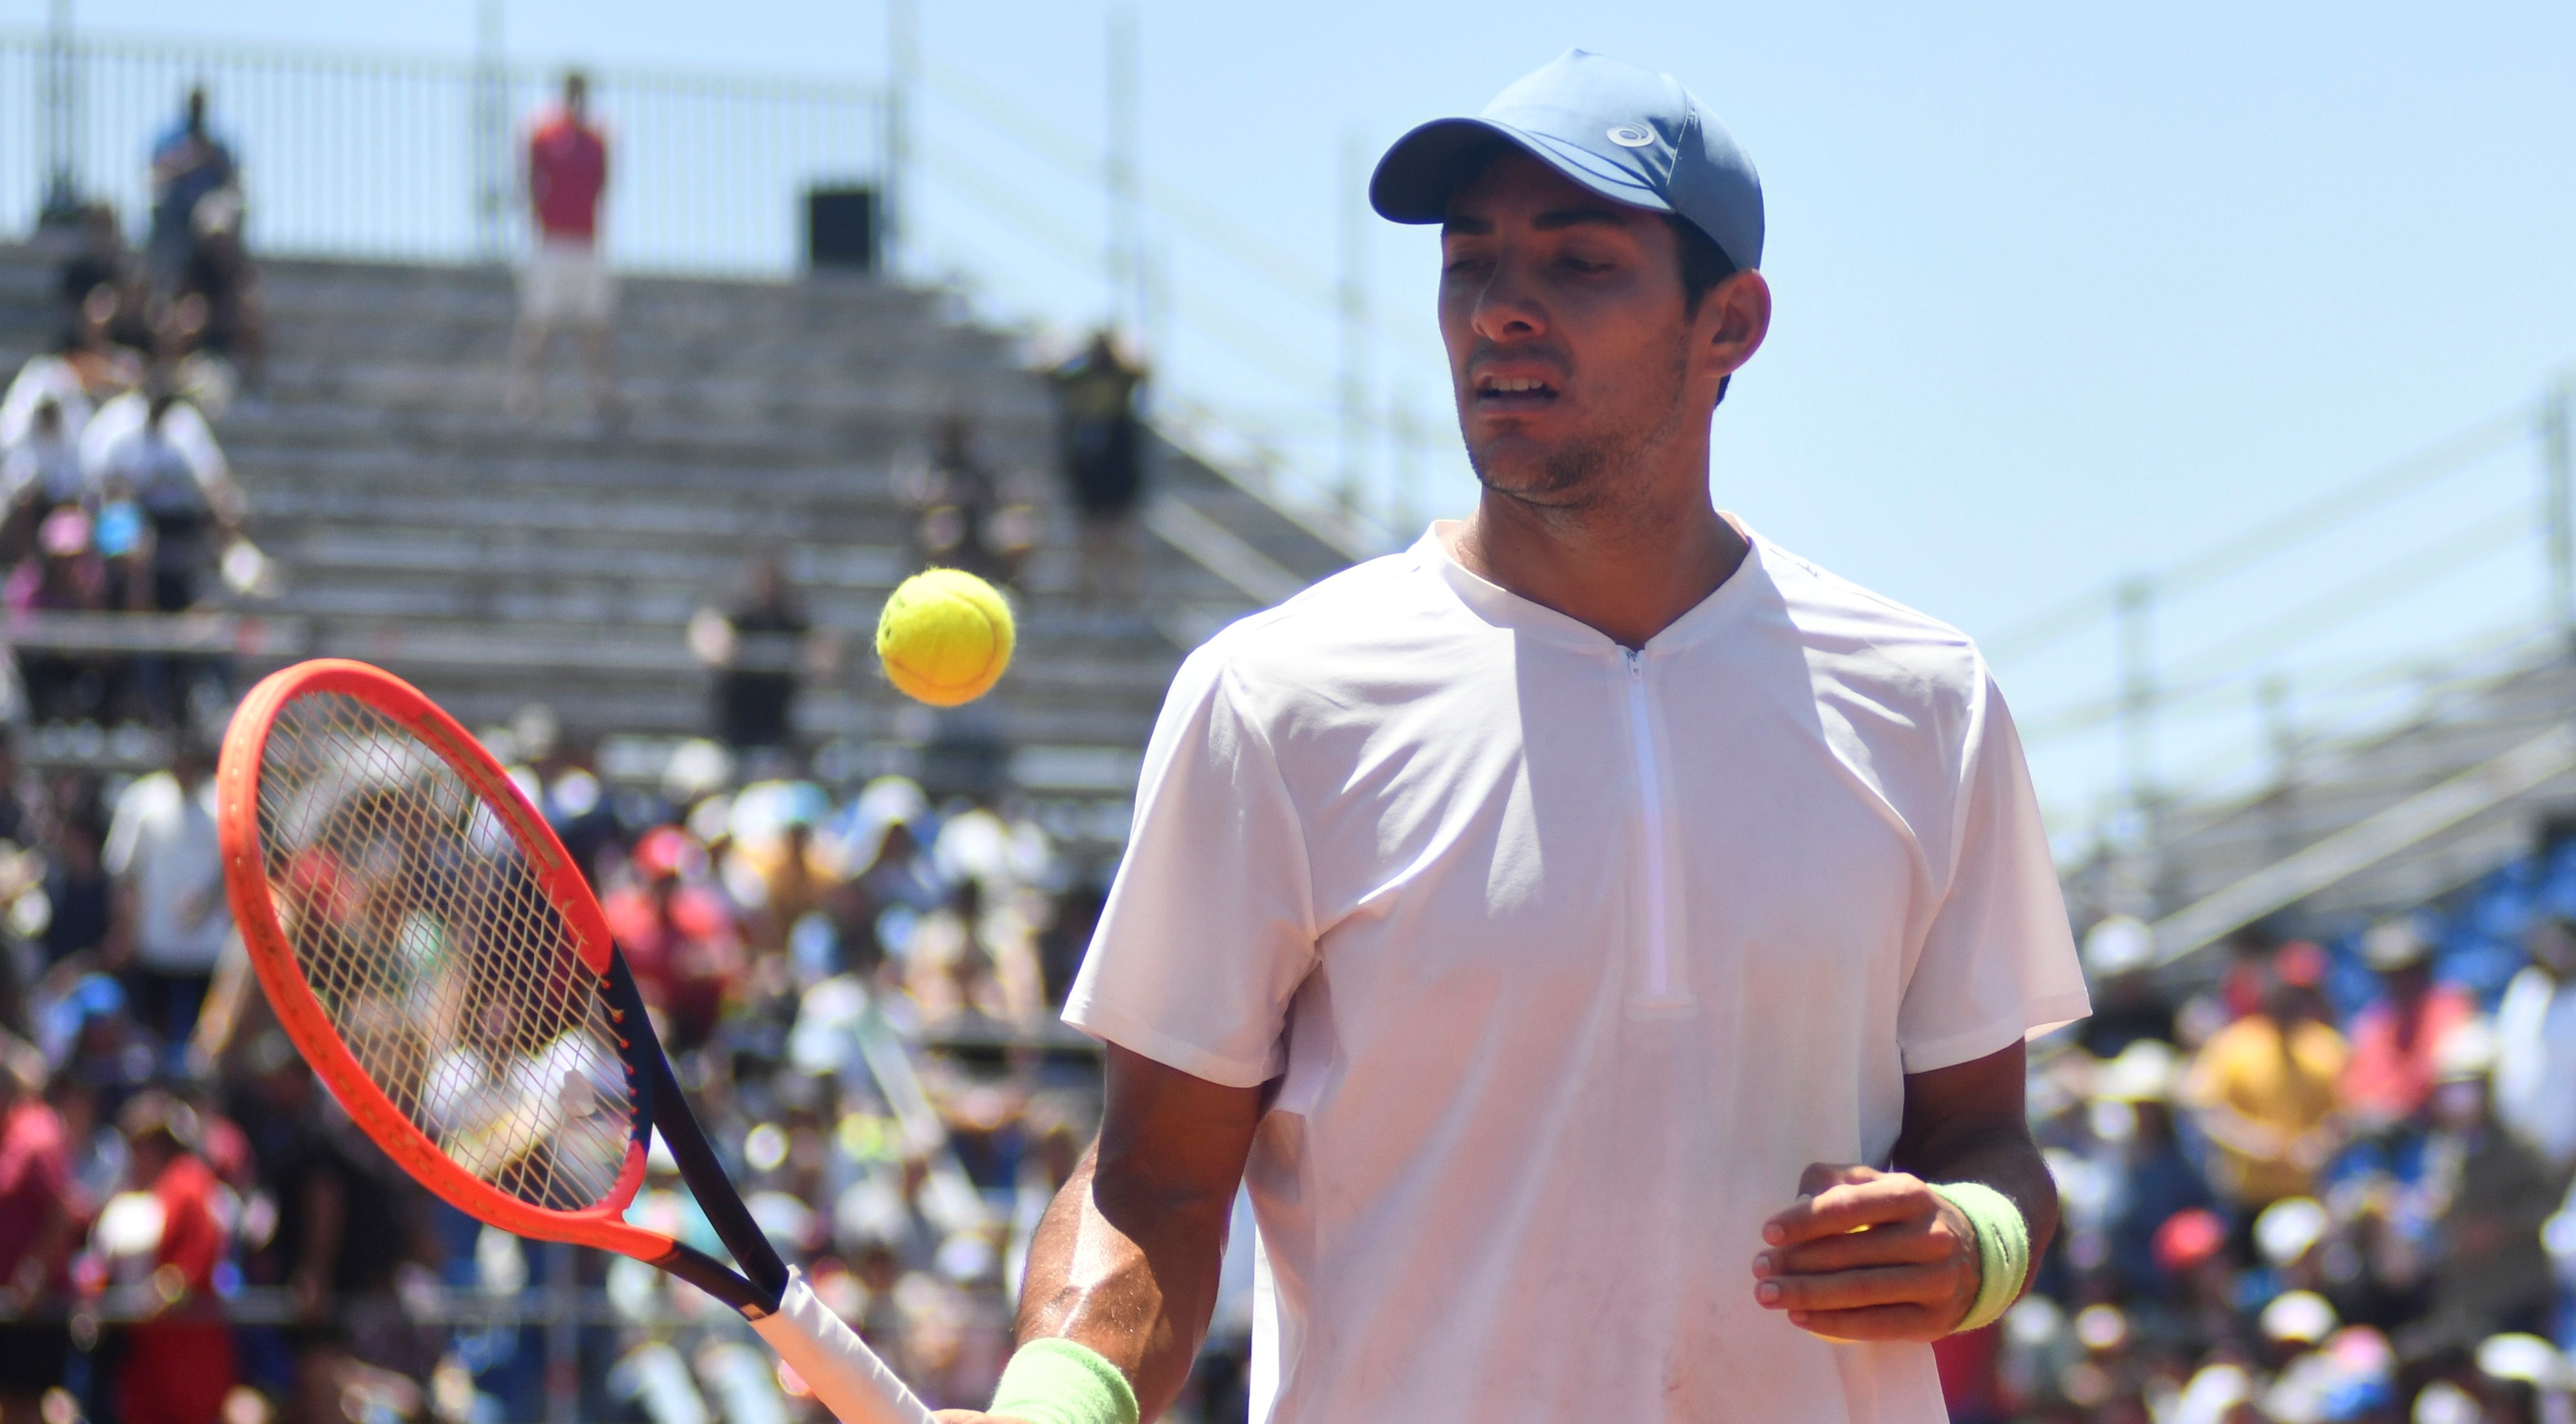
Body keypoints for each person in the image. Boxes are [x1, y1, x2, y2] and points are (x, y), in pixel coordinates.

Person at [939, 51, 2090, 1424]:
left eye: (1580, 263)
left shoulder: (1929, 699)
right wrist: (1052, 1403)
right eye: (1468, 262)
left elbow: (1987, 1138)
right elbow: (1158, 1178)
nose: (1501, 311)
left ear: (1731, 325)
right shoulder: (1273, 696)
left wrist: (1975, 1243)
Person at [2183, 949, 2347, 1212]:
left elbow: (2345, 1114)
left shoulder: (2326, 1046)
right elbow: (2207, 1111)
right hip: (2249, 1196)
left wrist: (2319, 1145)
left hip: (2313, 1192)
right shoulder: (2234, 1044)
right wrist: (2256, 1143)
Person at [113, 1089, 237, 1424]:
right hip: (151, 1355)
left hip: (186, 1353)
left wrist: (153, 1297)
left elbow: (192, 1266)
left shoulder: (188, 1182)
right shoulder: (151, 1189)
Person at [505, 71, 623, 421]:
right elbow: (528, 181)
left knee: (595, 325)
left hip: (586, 242)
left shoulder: (598, 140)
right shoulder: (543, 134)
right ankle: (525, 396)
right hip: (553, 242)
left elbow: (604, 185)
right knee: (539, 323)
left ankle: (602, 395)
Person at [104, 744, 231, 1051]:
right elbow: (125, 872)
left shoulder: (224, 801)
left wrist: (207, 902)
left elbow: (237, 867)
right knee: (154, 1036)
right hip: (156, 944)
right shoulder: (143, 801)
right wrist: (124, 931)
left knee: (206, 1036)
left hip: (208, 948)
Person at [2338, 919, 2475, 1133]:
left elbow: (2442, 1073)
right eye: (2389, 972)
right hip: (2386, 1137)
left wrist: (2400, 1103)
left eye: (2407, 969)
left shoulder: (2449, 1005)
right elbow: (2356, 1089)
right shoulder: (2375, 1021)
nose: (2398, 980)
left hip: (2435, 1129)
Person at [1049, 334, 1147, 604]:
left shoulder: (1120, 379)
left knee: (1121, 538)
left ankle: (1125, 597)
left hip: (1117, 468)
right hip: (1088, 471)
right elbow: (1049, 374)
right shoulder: (1079, 378)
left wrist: (1120, 351)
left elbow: (1143, 371)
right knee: (1088, 538)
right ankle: (1089, 595)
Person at [2494, 913, 2576, 1173]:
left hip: (2567, 1153)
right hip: (2520, 1148)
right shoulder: (2527, 990)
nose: (2556, 954)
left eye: (2563, 946)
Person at [147, 89, 240, 303]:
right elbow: (157, 175)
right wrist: (184, 162)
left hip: (209, 207)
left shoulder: (217, 143)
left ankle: (222, 285)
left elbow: (232, 180)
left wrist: (210, 157)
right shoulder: (170, 140)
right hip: (177, 205)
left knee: (219, 217)